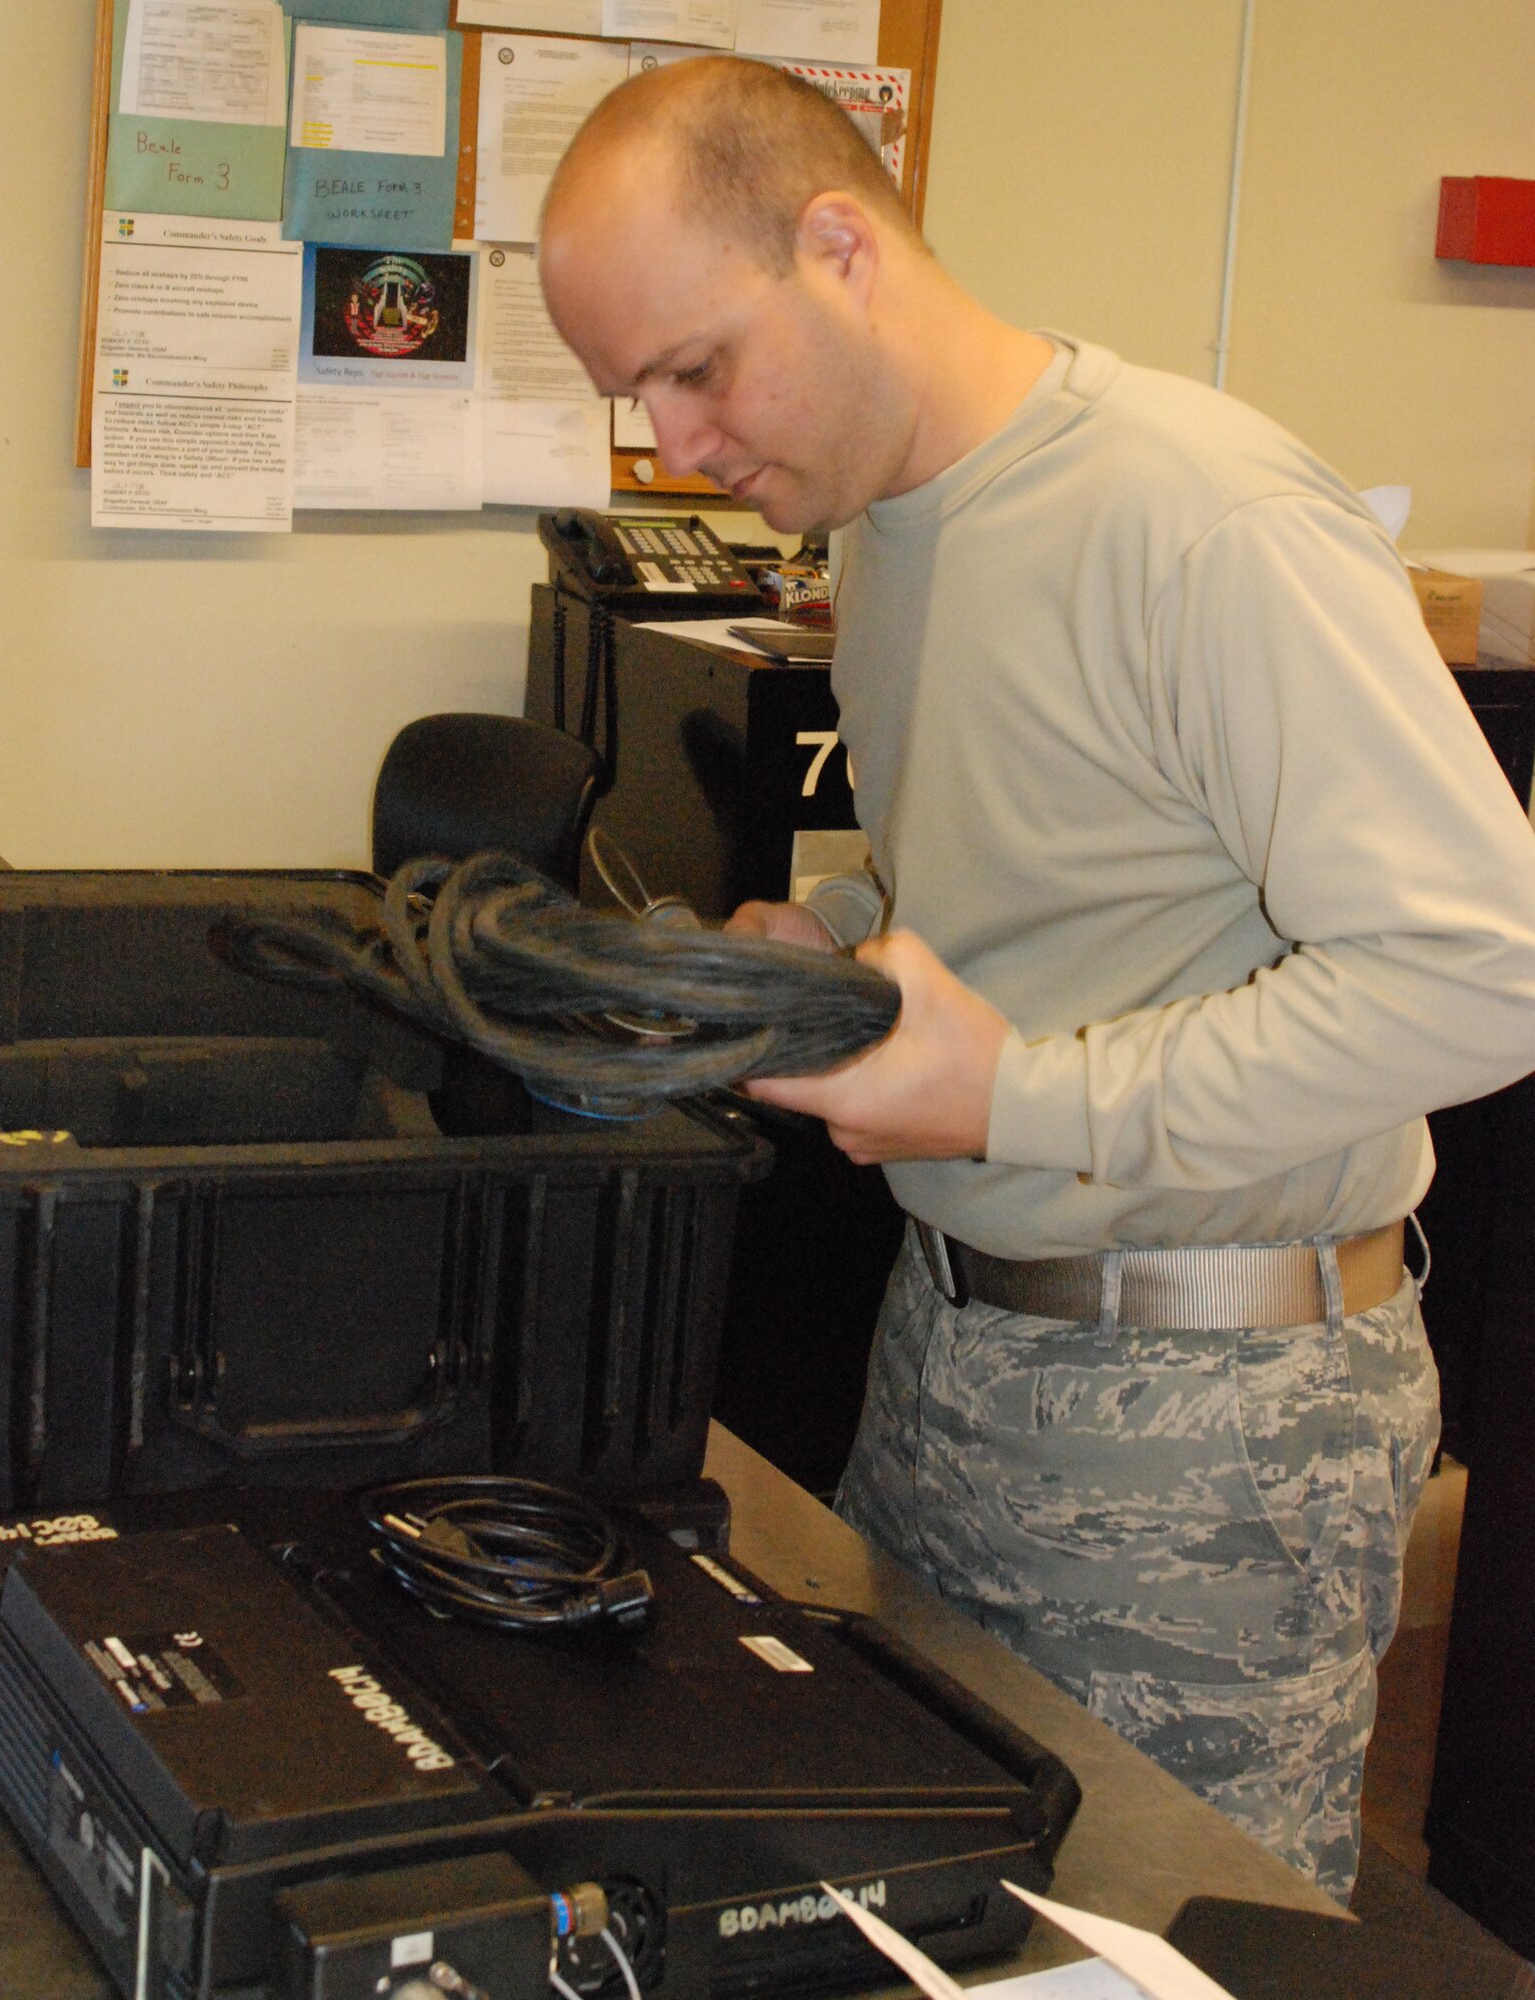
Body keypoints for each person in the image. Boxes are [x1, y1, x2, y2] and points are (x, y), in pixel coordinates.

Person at [538, 57, 1535, 1897]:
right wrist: (835, 951)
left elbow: (1482, 973)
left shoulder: (1196, 514)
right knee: (934, 1907)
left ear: (839, 248)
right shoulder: (889, 525)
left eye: (696, 368)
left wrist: (1015, 1096)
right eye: (637, 396)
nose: (676, 447)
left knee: (1172, 1938)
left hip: (1214, 1412)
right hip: (954, 1344)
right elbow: (1051, 885)